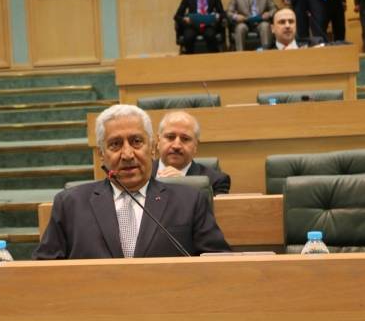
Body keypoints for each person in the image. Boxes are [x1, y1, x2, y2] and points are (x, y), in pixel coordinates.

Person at [33, 105, 230, 260]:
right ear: (101, 154)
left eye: (136, 141)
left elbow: (220, 263)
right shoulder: (70, 204)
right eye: (115, 144)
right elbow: (44, 270)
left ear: (152, 147)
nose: (127, 154)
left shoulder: (190, 201)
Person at [152, 111, 230, 196]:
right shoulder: (142, 174)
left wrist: (185, 183)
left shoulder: (216, 181)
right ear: (158, 141)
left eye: (185, 139)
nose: (176, 146)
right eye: (170, 137)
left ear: (195, 145)